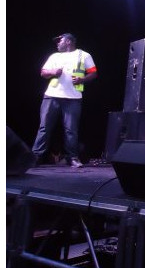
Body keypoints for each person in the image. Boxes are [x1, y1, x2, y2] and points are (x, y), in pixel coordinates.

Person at [32, 33, 97, 168]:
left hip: (73, 98)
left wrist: (82, 79)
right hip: (52, 96)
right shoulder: (54, 56)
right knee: (44, 128)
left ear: (68, 41)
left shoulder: (83, 55)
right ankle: (35, 157)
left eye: (59, 41)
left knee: (71, 130)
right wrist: (53, 72)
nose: (57, 43)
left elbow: (93, 73)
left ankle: (72, 158)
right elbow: (43, 72)